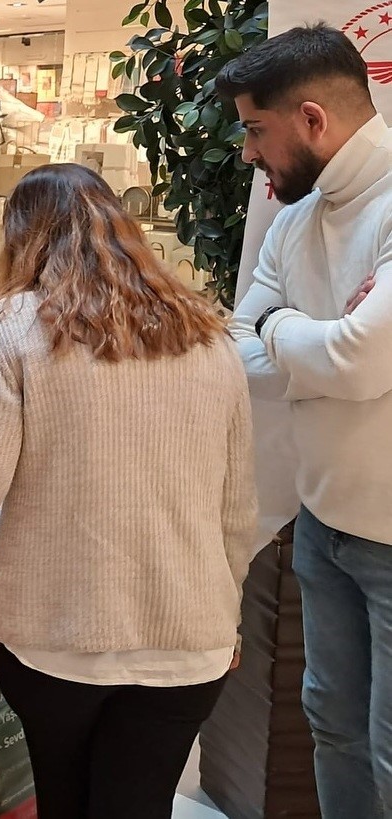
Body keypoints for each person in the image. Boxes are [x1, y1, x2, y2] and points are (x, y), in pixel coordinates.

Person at [0, 164, 257, 819]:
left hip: (55, 641)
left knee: (63, 794)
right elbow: (237, 510)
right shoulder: (208, 333)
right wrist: (223, 616)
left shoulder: (17, 325)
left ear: (22, 239)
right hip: (186, 644)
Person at [218, 24, 392, 816]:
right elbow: (233, 350)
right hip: (322, 524)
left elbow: (360, 362)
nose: (249, 153)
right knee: (332, 725)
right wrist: (320, 349)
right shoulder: (295, 220)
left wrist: (283, 329)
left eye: (258, 129)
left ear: (313, 120)